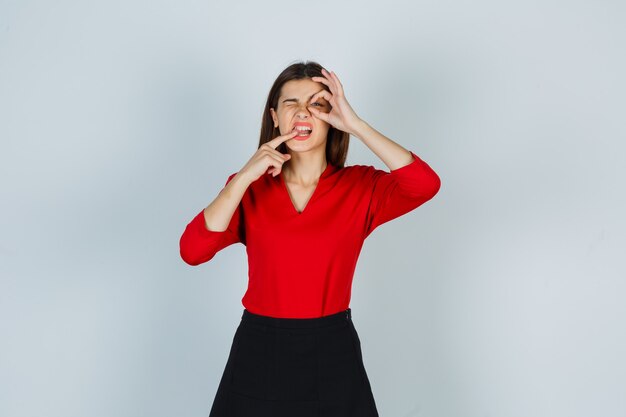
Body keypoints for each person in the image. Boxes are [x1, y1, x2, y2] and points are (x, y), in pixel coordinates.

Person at [179, 61, 441, 417]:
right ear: (275, 116)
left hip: (332, 350)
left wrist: (357, 126)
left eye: (316, 104)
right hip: (259, 348)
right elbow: (192, 251)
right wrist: (242, 177)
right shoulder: (250, 190)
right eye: (291, 103)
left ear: (331, 115)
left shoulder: (360, 187)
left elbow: (425, 184)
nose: (302, 112)